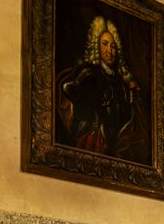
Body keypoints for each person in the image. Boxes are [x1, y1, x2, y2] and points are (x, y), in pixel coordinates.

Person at [57, 16, 149, 163]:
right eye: (105, 44)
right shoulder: (89, 74)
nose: (109, 51)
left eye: (113, 46)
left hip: (115, 146)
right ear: (97, 46)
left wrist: (132, 94)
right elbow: (70, 91)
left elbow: (126, 114)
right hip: (94, 141)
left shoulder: (120, 82)